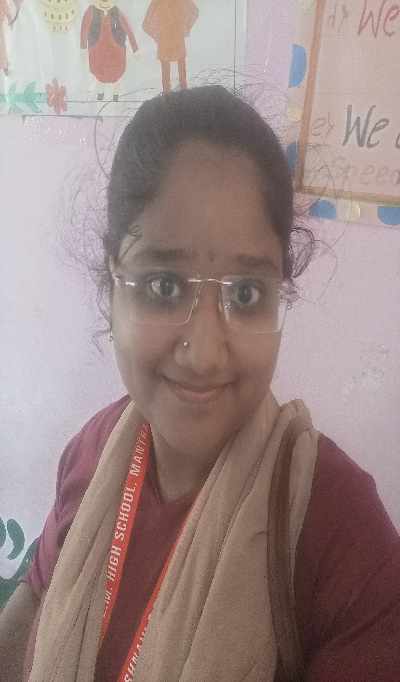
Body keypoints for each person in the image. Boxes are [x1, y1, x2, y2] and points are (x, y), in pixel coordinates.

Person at [0, 85, 399, 682]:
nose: (205, 354)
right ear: (112, 285)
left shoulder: (341, 532)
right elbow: (30, 609)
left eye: (247, 293)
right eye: (164, 286)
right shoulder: (91, 451)